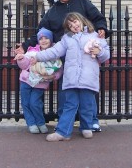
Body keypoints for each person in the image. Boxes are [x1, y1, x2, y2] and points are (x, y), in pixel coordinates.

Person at [14, 0, 108, 132]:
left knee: (89, 89)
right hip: (64, 54)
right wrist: (25, 46)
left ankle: (92, 120)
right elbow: (40, 32)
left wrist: (102, 28)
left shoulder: (83, 3)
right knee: (66, 91)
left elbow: (98, 18)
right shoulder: (52, 11)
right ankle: (65, 121)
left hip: (85, 54)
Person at [29, 12, 110, 141]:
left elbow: (106, 55)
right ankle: (63, 132)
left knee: (87, 105)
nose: (74, 25)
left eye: (75, 21)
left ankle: (86, 127)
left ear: (81, 20)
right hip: (71, 78)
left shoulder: (95, 36)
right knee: (70, 105)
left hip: (88, 78)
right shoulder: (67, 39)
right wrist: (38, 57)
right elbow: (54, 51)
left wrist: (100, 52)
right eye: (70, 25)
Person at [14, 27, 63, 134]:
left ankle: (40, 122)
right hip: (26, 80)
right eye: (41, 38)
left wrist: (53, 77)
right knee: (26, 103)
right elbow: (24, 65)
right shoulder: (32, 51)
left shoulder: (54, 53)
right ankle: (31, 123)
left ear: (51, 40)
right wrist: (21, 59)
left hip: (40, 84)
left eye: (46, 38)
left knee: (35, 103)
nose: (43, 40)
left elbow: (59, 69)